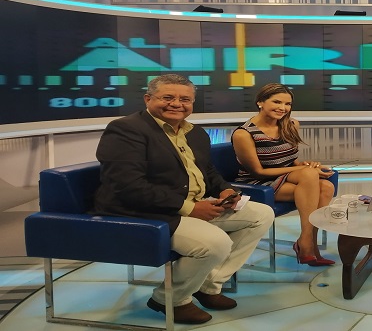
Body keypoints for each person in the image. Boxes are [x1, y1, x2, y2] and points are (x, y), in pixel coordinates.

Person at [93, 74, 275, 325]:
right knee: (215, 243)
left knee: (262, 214)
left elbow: (207, 171)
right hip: (141, 211)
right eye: (167, 97)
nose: (177, 104)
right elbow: (127, 185)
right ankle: (170, 299)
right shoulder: (126, 130)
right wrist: (188, 208)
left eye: (185, 99)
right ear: (148, 99)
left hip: (187, 205)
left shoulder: (195, 133)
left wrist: (225, 190)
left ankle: (208, 285)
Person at [231, 83, 336, 266]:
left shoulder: (291, 125)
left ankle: (307, 241)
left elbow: (291, 160)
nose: (283, 108)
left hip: (285, 177)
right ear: (260, 102)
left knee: (326, 186)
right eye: (277, 102)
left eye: (287, 104)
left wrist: (304, 165)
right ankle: (307, 244)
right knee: (310, 176)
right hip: (257, 184)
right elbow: (258, 172)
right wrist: (302, 170)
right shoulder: (243, 133)